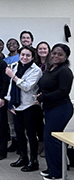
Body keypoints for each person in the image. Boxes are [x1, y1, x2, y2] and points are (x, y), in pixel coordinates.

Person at [36, 44, 73, 180]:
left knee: (53, 140)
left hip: (61, 109)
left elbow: (63, 92)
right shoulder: (52, 69)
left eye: (60, 54)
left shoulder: (64, 71)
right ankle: (52, 168)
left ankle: (57, 174)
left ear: (65, 57)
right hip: (51, 108)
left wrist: (43, 97)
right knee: (49, 139)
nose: (56, 56)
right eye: (54, 53)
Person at [5, 46, 42, 172]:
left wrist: (13, 76)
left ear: (32, 57)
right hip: (17, 105)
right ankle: (23, 157)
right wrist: (10, 103)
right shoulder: (15, 66)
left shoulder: (36, 70)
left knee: (31, 134)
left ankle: (34, 161)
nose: (24, 57)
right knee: (19, 133)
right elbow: (11, 86)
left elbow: (26, 86)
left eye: (28, 55)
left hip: (29, 105)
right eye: (22, 55)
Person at [3, 38, 20, 153]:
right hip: (8, 93)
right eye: (9, 44)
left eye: (14, 43)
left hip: (19, 92)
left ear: (18, 45)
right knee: (10, 121)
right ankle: (14, 142)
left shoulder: (21, 57)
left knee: (20, 120)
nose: (11, 45)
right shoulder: (4, 60)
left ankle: (21, 143)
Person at [35, 41, 51, 157]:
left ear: (48, 50)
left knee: (48, 122)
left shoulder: (52, 64)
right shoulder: (34, 63)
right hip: (35, 96)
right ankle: (40, 141)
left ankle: (47, 145)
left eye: (44, 49)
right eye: (40, 49)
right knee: (38, 122)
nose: (42, 51)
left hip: (48, 96)